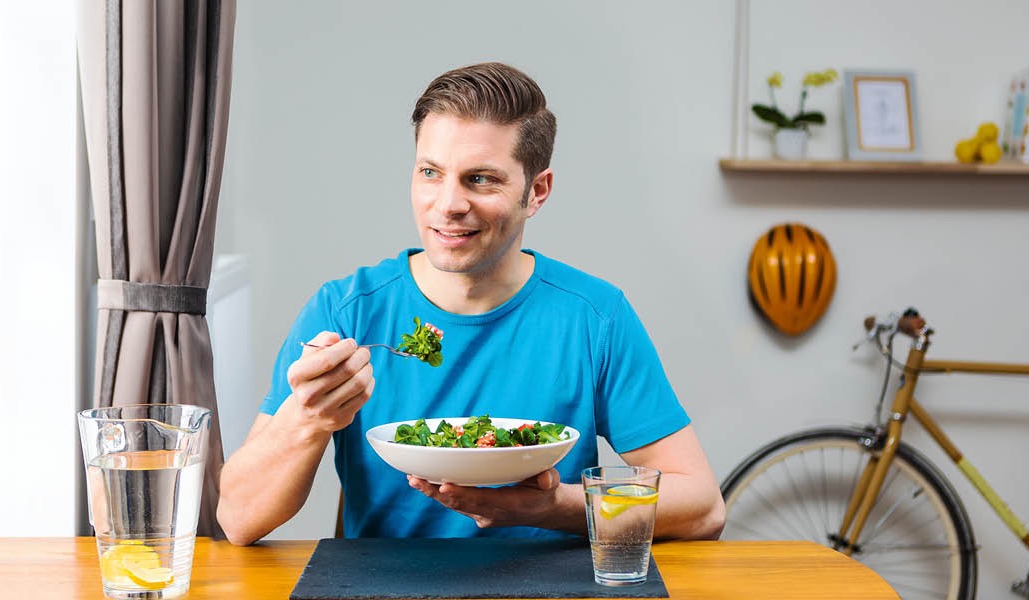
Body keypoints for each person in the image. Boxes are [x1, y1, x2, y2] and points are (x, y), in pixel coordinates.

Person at [218, 62, 725, 545]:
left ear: (537, 191)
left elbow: (703, 507)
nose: (449, 204)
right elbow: (238, 519)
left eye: (480, 178)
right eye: (431, 172)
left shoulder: (594, 316)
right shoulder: (347, 312)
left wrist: (557, 509)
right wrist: (308, 419)